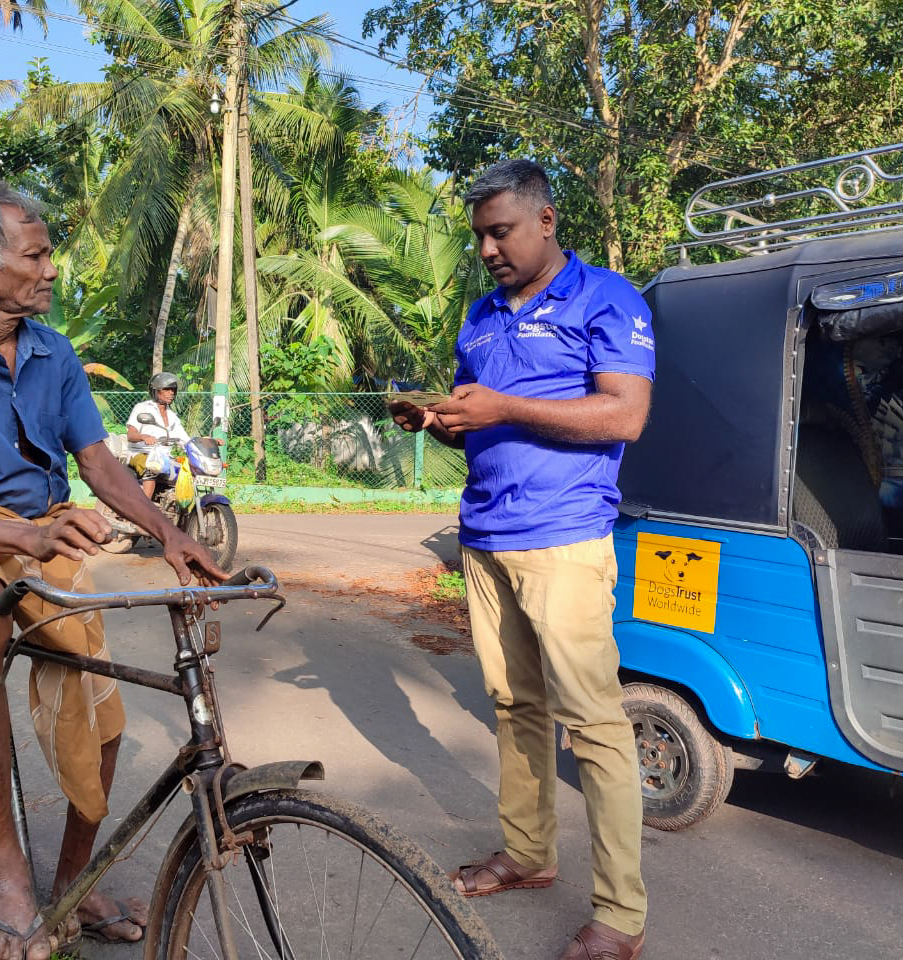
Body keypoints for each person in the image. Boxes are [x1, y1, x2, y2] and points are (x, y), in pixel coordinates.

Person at [0, 180, 227, 960]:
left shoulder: (53, 350)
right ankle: (7, 878)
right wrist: (25, 543)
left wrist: (169, 532)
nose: (51, 269)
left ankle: (72, 884)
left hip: (42, 532)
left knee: (97, 701)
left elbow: (97, 462)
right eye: (34, 255)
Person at [389, 159, 654, 960]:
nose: (487, 250)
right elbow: (479, 415)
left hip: (565, 536)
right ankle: (530, 854)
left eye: (500, 232)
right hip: (486, 535)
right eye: (478, 237)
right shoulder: (480, 314)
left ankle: (620, 917)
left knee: (596, 727)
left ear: (545, 220)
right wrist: (439, 419)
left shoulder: (607, 298)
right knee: (516, 709)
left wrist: (501, 405)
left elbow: (625, 415)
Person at [126, 371, 191, 499]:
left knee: (188, 472)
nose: (171, 392)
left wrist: (205, 442)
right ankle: (144, 510)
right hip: (142, 454)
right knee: (152, 468)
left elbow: (185, 440)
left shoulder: (173, 416)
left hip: (165, 457)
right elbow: (131, 434)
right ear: (155, 391)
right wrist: (143, 437)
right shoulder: (143, 408)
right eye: (166, 389)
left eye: (173, 389)